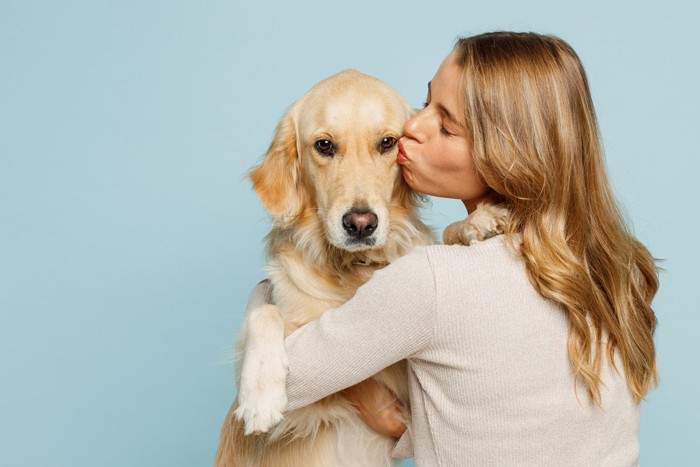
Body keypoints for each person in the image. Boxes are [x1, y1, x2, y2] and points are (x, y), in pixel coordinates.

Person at [244, 31, 659, 465]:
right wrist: (396, 425)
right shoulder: (615, 268)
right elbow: (504, 427)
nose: (410, 130)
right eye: (425, 103)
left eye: (444, 124)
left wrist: (265, 298)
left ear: (505, 151)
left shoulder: (432, 282)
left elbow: (273, 382)